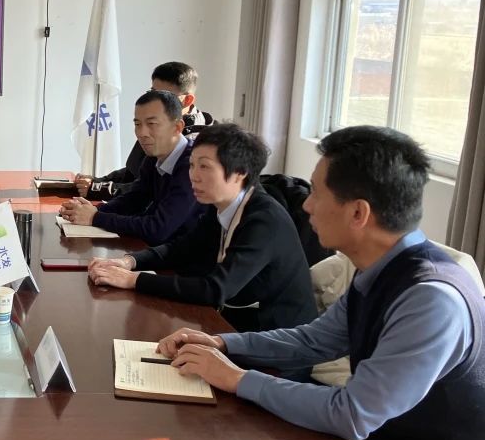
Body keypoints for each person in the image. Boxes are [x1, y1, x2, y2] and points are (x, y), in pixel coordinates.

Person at [156, 126, 485, 440]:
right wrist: (222, 344)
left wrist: (237, 378)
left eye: (315, 192)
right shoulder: (381, 269)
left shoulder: (430, 300)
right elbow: (313, 341)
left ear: (358, 212)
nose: (306, 206)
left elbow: (352, 413)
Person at [88, 124, 317, 339]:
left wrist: (133, 280)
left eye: (204, 166)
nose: (193, 176)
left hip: (275, 339)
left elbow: (215, 289)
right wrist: (129, 261)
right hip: (236, 321)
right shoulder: (222, 205)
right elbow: (181, 248)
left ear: (240, 172)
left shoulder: (264, 220)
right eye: (192, 165)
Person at [60, 90, 201, 245]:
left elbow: (158, 229)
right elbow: (134, 199)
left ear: (177, 127)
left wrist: (95, 217)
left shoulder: (192, 166)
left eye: (152, 124)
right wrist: (90, 211)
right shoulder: (154, 156)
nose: (142, 133)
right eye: (137, 124)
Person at [76, 61, 214, 199]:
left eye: (165, 96)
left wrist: (101, 189)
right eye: (153, 92)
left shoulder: (197, 144)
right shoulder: (149, 125)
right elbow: (134, 172)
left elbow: (153, 191)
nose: (143, 132)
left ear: (187, 100)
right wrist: (98, 181)